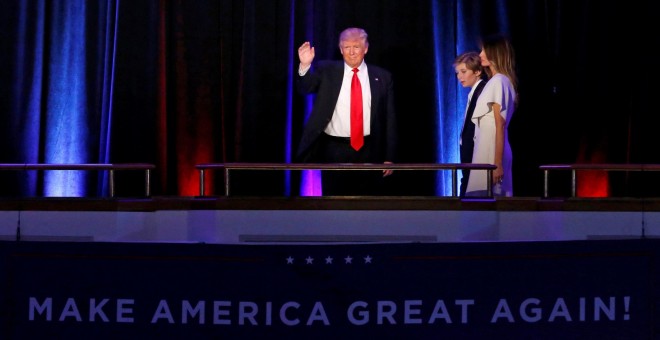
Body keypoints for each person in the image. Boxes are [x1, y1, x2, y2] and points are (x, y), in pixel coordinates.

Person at [295, 27, 397, 196]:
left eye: (356, 47)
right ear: (341, 49)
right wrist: (305, 65)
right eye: (346, 47)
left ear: (366, 48)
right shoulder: (327, 71)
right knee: (334, 204)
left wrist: (390, 156)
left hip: (370, 150)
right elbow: (305, 88)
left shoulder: (383, 77)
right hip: (333, 150)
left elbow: (390, 119)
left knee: (368, 204)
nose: (351, 52)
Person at [465, 34, 518, 197]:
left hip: (492, 153)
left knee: (491, 204)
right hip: (486, 151)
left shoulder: (499, 81)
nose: (480, 55)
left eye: (484, 51)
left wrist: (497, 164)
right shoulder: (495, 81)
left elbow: (499, 125)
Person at [453, 52, 487, 196]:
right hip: (468, 154)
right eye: (458, 73)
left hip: (474, 154)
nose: (459, 77)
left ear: (478, 71)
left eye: (463, 72)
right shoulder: (474, 92)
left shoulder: (482, 91)